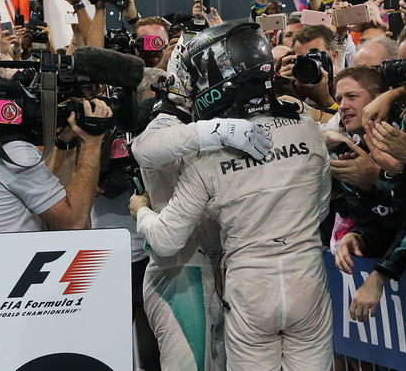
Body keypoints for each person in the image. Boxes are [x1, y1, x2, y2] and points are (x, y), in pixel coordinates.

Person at [130, 23, 333, 370]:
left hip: (245, 282)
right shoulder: (308, 128)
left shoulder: (206, 154)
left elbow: (164, 237)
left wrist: (140, 211)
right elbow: (321, 206)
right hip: (307, 276)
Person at [132, 36, 273, 371]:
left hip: (225, 269)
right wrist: (218, 130)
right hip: (181, 272)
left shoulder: (231, 118)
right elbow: (144, 148)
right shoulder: (169, 120)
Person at [0, 80, 112, 352]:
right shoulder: (12, 153)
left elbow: (37, 193)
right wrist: (92, 143)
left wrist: (60, 143)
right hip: (19, 306)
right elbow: (72, 221)